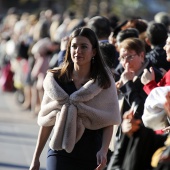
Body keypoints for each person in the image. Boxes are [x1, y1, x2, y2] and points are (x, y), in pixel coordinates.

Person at [29, 27, 121, 170]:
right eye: (74, 46)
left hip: (91, 152)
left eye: (84, 46)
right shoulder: (56, 79)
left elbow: (108, 120)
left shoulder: (103, 81)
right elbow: (47, 121)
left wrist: (103, 150)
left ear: (94, 51)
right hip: (59, 149)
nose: (78, 51)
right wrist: (35, 158)